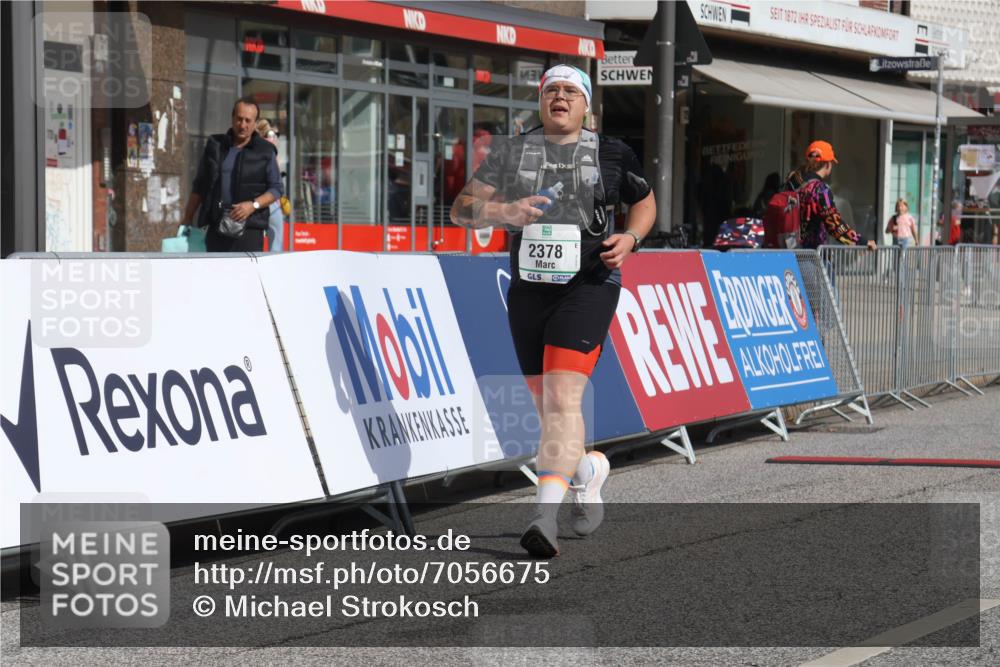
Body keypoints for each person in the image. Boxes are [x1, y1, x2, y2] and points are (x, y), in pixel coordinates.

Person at [450, 64, 656, 558]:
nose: (559, 98)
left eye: (570, 91)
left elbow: (645, 202)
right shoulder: (514, 151)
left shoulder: (612, 152)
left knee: (564, 399)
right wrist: (506, 212)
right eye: (551, 91)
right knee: (549, 411)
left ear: (587, 105)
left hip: (589, 285)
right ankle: (587, 470)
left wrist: (631, 237)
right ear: (541, 101)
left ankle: (544, 517)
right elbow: (462, 208)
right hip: (529, 292)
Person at [181, 98, 283, 252]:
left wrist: (253, 205)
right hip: (216, 226)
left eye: (248, 121)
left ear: (255, 123)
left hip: (250, 229)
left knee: (246, 275)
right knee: (216, 274)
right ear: (232, 118)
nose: (243, 125)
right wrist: (187, 218)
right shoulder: (215, 145)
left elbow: (276, 188)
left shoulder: (266, 151)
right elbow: (200, 185)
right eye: (239, 119)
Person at [786, 141, 876, 251]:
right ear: (828, 164)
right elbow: (834, 224)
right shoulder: (820, 189)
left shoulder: (792, 183)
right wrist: (861, 242)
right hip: (811, 255)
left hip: (787, 251)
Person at [257, 118, 285, 253]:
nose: (275, 138)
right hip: (270, 201)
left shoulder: (255, 150)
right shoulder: (269, 150)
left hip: (258, 199)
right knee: (276, 240)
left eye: (276, 135)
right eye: (271, 135)